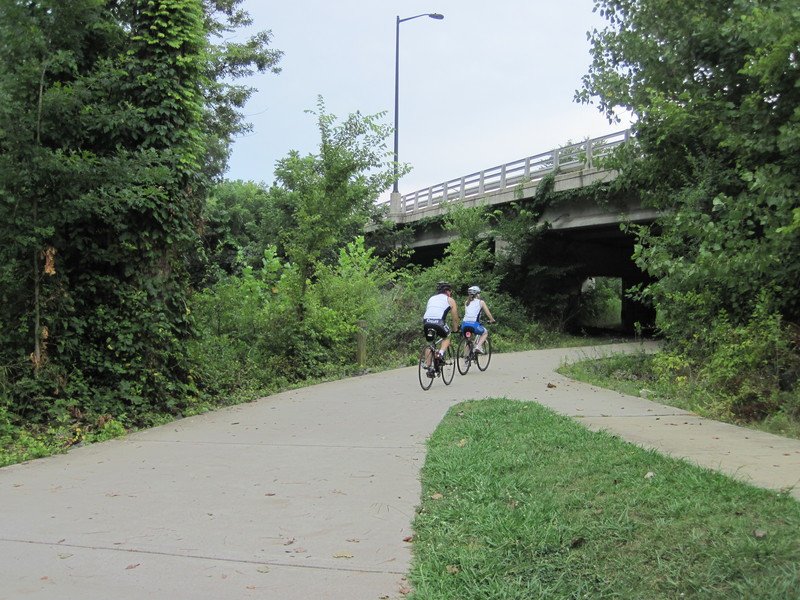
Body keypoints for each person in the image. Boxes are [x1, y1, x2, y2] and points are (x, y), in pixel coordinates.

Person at [422, 281, 460, 364]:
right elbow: (455, 318)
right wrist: (455, 328)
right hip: (439, 322)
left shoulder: (431, 298)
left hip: (426, 322)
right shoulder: (450, 300)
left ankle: (428, 367)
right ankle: (440, 353)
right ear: (447, 291)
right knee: (447, 336)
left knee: (430, 343)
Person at [461, 285, 495, 354]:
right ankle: (478, 347)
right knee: (485, 333)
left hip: (464, 325)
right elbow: (488, 313)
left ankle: (466, 358)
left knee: (468, 340)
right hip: (474, 325)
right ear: (477, 294)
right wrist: (492, 320)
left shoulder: (466, 302)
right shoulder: (481, 302)